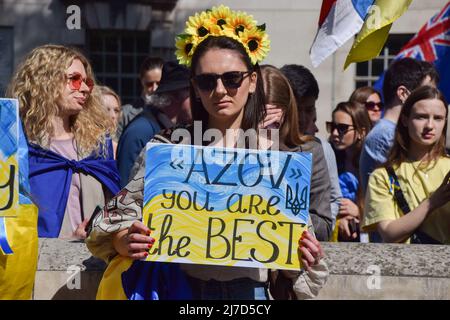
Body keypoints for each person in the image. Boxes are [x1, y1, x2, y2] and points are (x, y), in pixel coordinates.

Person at [86, 5, 327, 300]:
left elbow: (294, 253)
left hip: (250, 296)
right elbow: (115, 225)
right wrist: (127, 241)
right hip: (178, 290)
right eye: (206, 80)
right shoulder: (169, 148)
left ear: (252, 82)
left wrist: (303, 256)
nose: (220, 90)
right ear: (195, 87)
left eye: (232, 78)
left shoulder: (275, 158)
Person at [7, 44, 121, 239]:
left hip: (98, 264)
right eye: (75, 80)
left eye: (87, 82)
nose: (85, 89)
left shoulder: (98, 144)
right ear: (45, 80)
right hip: (43, 265)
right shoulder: (19, 145)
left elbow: (114, 207)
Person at [362, 86, 450, 244]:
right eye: (421, 117)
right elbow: (389, 233)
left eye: (438, 118)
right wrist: (432, 202)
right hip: (405, 266)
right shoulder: (382, 175)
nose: (430, 125)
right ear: (404, 119)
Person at [260, 65, 333, 241]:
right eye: (260, 121)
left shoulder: (309, 151)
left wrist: (282, 208)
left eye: (274, 123)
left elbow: (324, 228)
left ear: (286, 114)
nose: (267, 132)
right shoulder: (230, 145)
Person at [359, 58, 439, 195]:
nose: (433, 99)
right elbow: (408, 191)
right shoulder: (385, 134)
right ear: (403, 94)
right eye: (425, 93)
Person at [280, 64, 342, 233]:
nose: (301, 117)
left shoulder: (317, 150)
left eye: (308, 109)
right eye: (295, 109)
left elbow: (325, 221)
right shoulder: (255, 142)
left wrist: (282, 210)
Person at [116, 61, 191, 187]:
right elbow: (124, 190)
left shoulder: (178, 130)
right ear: (175, 97)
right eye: (193, 96)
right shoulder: (140, 131)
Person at [326, 101, 372, 242]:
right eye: (332, 126)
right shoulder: (327, 157)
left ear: (361, 132)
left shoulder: (371, 163)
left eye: (342, 128)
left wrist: (359, 212)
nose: (334, 133)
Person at [116, 56, 164, 138]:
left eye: (159, 83)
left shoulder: (174, 113)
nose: (154, 88)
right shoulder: (125, 114)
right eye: (149, 84)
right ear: (142, 81)